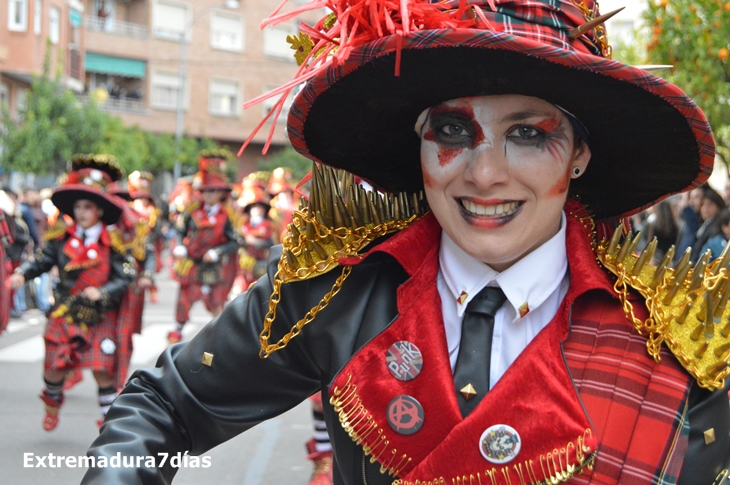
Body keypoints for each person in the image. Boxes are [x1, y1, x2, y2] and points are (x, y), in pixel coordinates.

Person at [85, 1, 730, 484]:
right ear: (417, 141)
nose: (483, 174)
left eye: (529, 135)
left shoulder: (682, 346)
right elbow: (164, 405)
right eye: (453, 129)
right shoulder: (336, 291)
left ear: (581, 153)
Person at [9, 154, 134, 430]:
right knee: (53, 370)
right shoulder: (61, 238)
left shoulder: (113, 242)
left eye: (87, 206)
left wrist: (102, 291)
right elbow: (41, 261)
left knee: (103, 370)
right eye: (77, 206)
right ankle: (52, 403)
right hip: (66, 311)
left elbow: (127, 275)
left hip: (100, 314)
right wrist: (21, 273)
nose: (81, 212)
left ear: (99, 210)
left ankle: (109, 424)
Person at [168, 150, 239, 344]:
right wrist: (181, 246)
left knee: (216, 305)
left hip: (212, 267)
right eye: (207, 191)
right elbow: (180, 229)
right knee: (183, 301)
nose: (209, 195)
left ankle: (223, 340)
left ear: (221, 193)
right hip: (191, 264)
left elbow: (234, 242)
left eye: (214, 191)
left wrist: (217, 252)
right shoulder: (192, 211)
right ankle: (174, 337)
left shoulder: (227, 217)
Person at [691, 187, 726, 263]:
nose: (704, 208)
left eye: (709, 204)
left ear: (718, 205)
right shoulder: (704, 224)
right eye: (703, 204)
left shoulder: (717, 227)